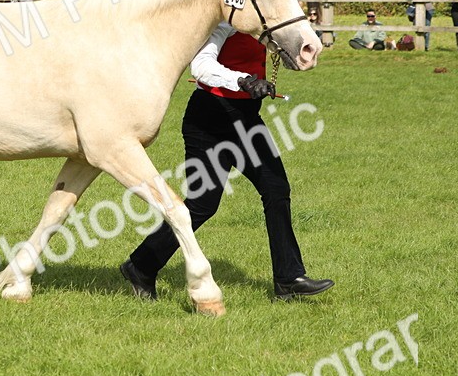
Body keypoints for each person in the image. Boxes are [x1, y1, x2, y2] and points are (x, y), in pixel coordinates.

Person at [119, 22, 334, 303]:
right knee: (202, 204)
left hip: (246, 121)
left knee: (276, 190)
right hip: (209, 120)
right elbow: (202, 66)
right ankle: (140, 265)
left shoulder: (262, 22)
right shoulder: (225, 22)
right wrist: (245, 81)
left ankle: (288, 279)